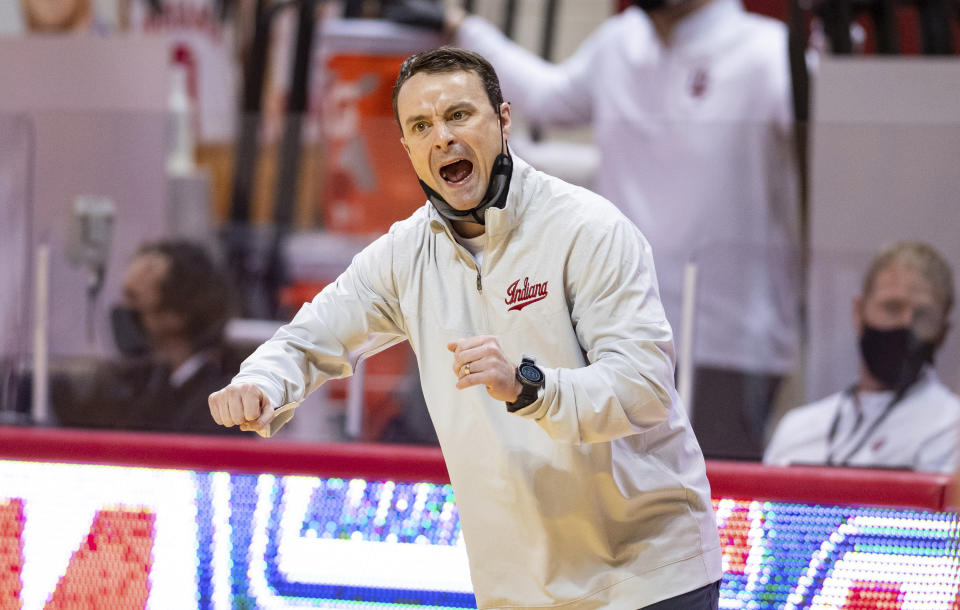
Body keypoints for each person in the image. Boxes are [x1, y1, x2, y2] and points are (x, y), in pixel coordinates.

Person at [209, 48, 721, 609]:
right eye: (421, 126)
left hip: (649, 575)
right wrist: (260, 382)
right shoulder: (404, 255)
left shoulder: (589, 230)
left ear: (503, 120)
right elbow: (311, 338)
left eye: (459, 115)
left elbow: (644, 389)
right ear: (407, 149)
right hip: (519, 591)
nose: (442, 138)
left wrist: (529, 387)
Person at [430, 0, 801, 462]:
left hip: (729, 342)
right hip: (614, 326)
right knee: (615, 502)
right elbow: (546, 97)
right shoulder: (621, 41)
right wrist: (460, 28)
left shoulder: (771, 54)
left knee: (710, 504)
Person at [765, 241, 960, 473]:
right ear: (858, 312)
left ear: (942, 332)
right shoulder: (797, 429)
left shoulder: (952, 430)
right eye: (892, 307)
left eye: (923, 316)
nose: (905, 325)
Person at [54, 239, 246, 434]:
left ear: (176, 315)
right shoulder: (142, 383)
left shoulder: (224, 407)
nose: (123, 309)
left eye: (134, 298)